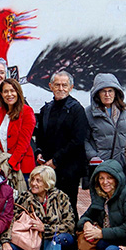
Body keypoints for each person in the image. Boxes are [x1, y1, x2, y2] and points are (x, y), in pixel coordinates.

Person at [0, 164, 76, 250]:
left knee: (64, 239)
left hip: (52, 239)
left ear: (47, 183)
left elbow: (70, 224)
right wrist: (5, 241)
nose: (33, 183)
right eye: (33, 179)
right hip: (30, 240)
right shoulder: (25, 197)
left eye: (38, 181)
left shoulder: (60, 197)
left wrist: (45, 228)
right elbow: (10, 219)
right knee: (12, 246)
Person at [33, 71, 87, 220]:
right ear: (50, 86)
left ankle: (70, 241)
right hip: (48, 169)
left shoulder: (77, 110)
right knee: (48, 206)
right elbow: (40, 135)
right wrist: (39, 152)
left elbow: (77, 140)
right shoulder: (46, 109)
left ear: (71, 87)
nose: (61, 88)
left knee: (67, 207)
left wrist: (56, 160)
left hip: (68, 169)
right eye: (57, 85)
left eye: (64, 85)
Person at [76, 159, 126, 250]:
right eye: (101, 178)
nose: (105, 182)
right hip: (108, 238)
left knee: (104, 247)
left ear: (117, 178)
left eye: (109, 178)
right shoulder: (101, 195)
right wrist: (86, 224)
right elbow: (84, 218)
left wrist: (101, 233)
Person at [0, 77, 35, 190]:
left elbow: (24, 144)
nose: (9, 94)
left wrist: (10, 164)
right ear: (1, 94)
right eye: (5, 91)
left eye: (12, 90)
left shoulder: (27, 111)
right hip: (2, 166)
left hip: (21, 167)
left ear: (18, 92)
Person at [85, 73, 126, 166]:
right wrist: (93, 156)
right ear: (97, 93)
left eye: (110, 91)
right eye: (103, 91)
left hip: (124, 164)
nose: (107, 95)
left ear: (116, 92)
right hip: (101, 164)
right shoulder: (89, 113)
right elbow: (84, 139)